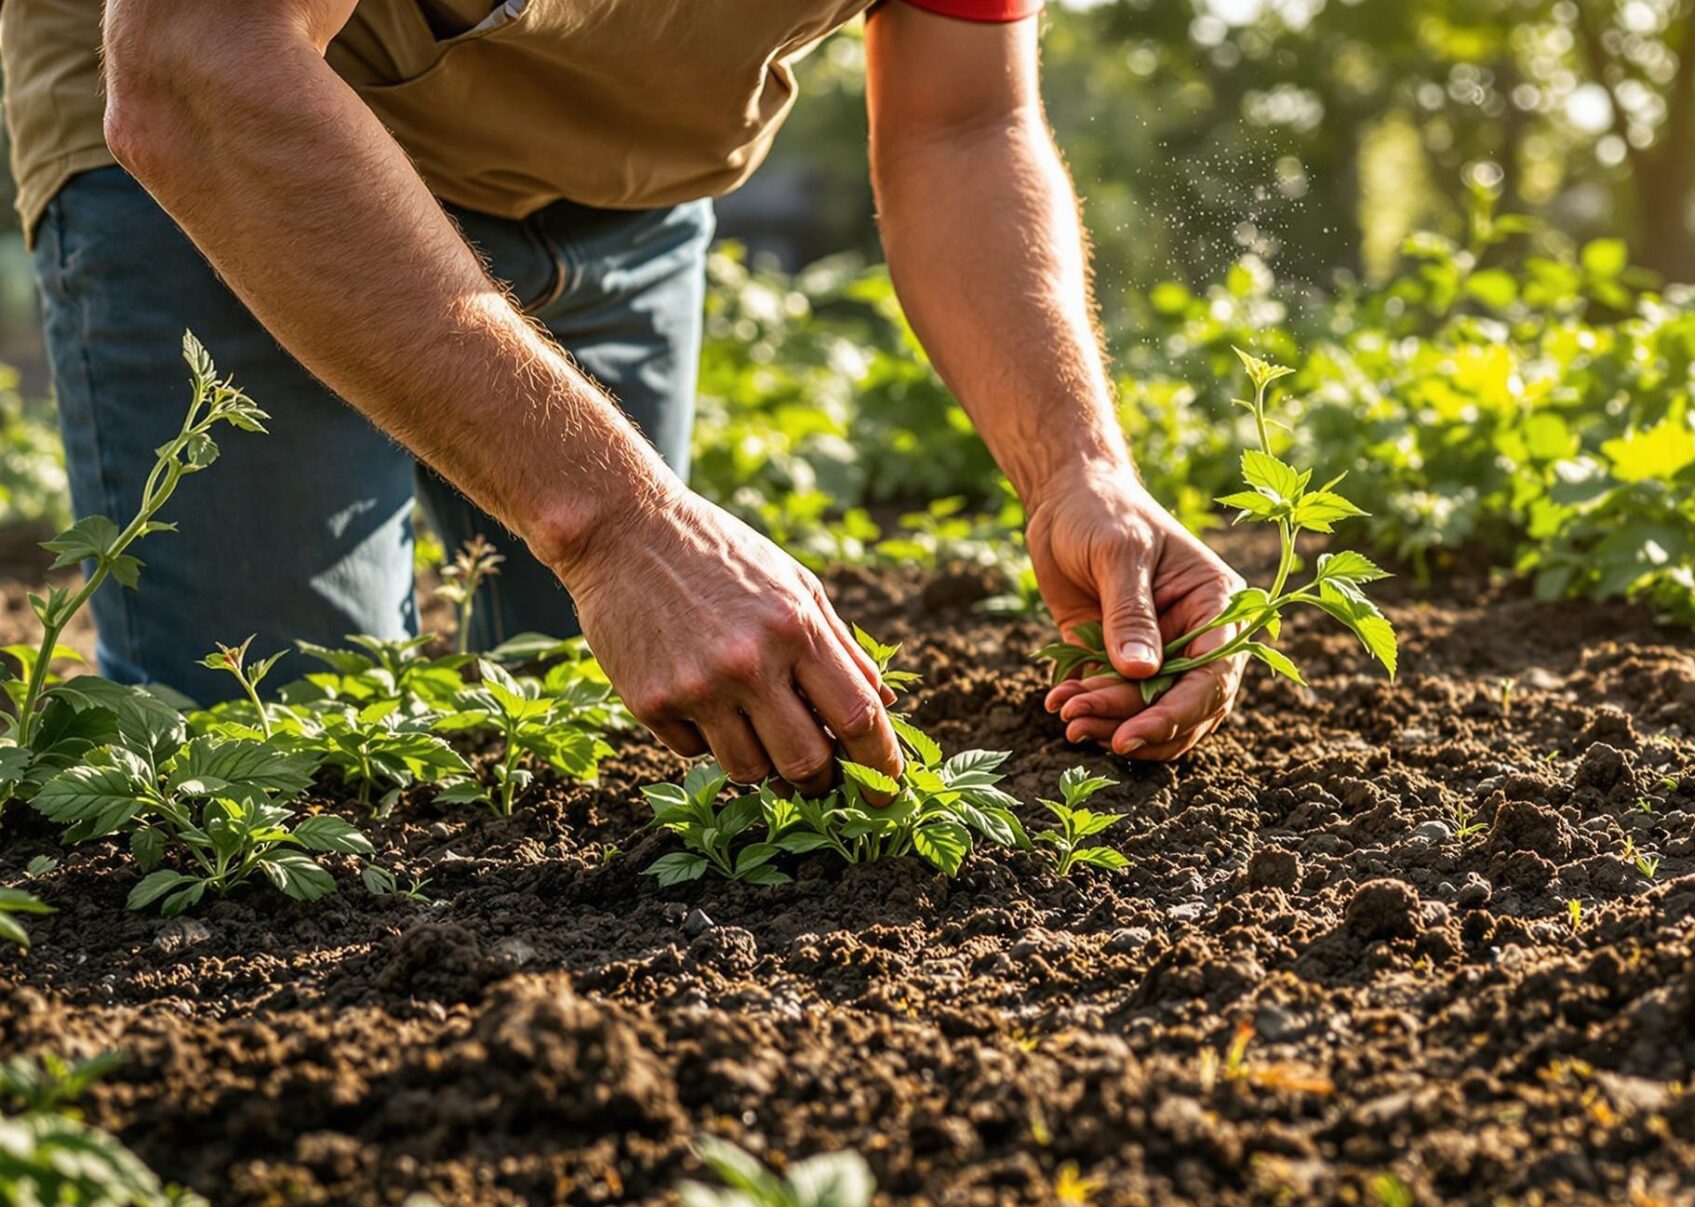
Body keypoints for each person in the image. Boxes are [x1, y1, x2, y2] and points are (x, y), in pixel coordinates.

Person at [0, 0, 1246, 795]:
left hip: (622, 180)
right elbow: (196, 60)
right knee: (276, 758)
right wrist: (617, 524)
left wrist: (1077, 464)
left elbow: (961, 125)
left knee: (642, 744)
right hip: (237, 132)